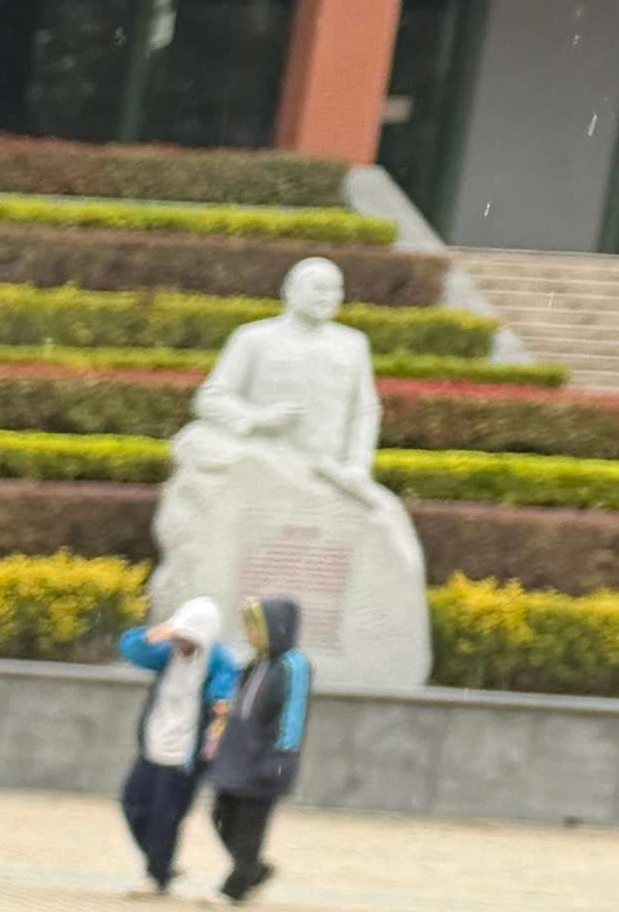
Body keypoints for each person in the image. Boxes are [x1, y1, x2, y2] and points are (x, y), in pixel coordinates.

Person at [153, 251, 430, 693]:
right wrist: (257, 418)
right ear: (290, 290)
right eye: (318, 288)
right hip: (269, 465)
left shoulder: (352, 344)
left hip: (329, 474)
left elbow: (365, 409)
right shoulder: (254, 339)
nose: (328, 297)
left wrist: (358, 467)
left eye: (335, 289)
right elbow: (211, 399)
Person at [115, 583, 238, 892]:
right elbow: (131, 650)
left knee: (166, 816)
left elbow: (227, 686)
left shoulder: (219, 660)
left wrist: (221, 701)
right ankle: (161, 864)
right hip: (154, 745)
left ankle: (157, 875)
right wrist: (154, 635)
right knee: (132, 802)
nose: (183, 644)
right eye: (181, 636)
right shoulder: (167, 654)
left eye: (189, 639)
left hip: (186, 753)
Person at [205, 591, 314, 899]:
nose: (250, 634)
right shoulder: (256, 663)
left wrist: (281, 757)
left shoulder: (294, 666)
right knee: (221, 817)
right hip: (237, 760)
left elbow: (293, 715)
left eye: (255, 627)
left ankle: (235, 888)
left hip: (266, 761)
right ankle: (253, 869)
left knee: (249, 828)